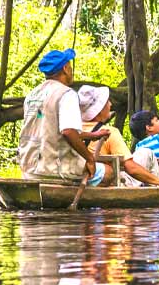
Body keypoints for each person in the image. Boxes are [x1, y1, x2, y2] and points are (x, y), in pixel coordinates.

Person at [18, 48, 102, 184]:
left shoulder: (32, 94)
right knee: (109, 173)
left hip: (29, 169)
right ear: (65, 68)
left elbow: (50, 131)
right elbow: (68, 131)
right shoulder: (66, 94)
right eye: (70, 65)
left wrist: (91, 136)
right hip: (55, 169)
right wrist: (89, 158)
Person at [78, 85, 159, 194]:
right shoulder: (110, 132)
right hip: (112, 182)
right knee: (147, 153)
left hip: (83, 176)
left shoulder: (75, 131)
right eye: (107, 102)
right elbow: (131, 168)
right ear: (100, 109)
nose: (110, 104)